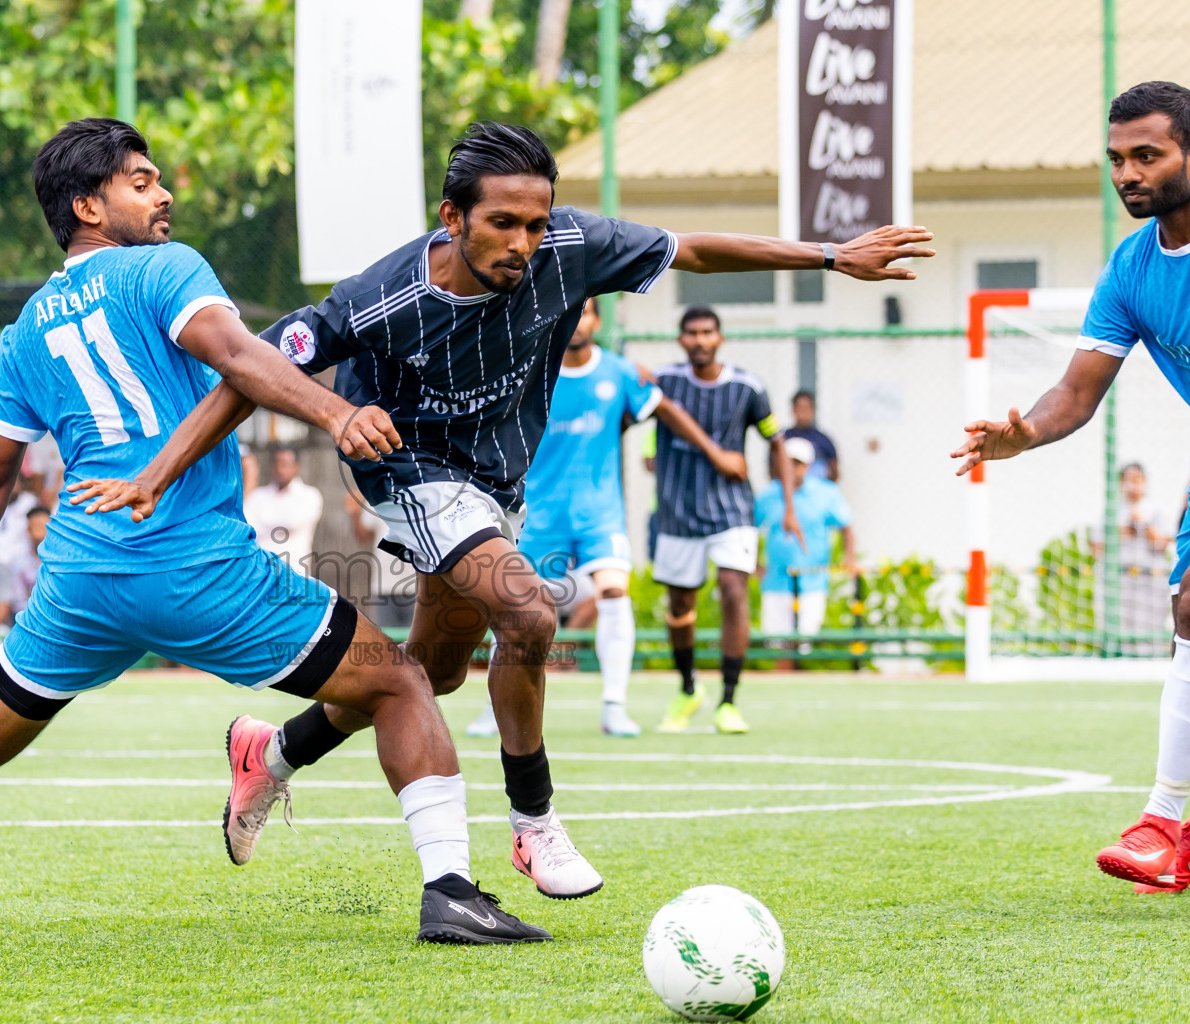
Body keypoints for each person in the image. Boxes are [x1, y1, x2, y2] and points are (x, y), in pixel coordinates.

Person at [0, 117, 546, 946]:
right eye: (141, 181)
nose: (164, 193)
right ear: (88, 204)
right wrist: (337, 411)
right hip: (196, 567)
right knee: (399, 681)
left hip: (81, 578)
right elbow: (239, 357)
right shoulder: (164, 269)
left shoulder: (25, 331)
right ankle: (450, 893)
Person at [86, 121, 930, 900]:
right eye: (502, 224)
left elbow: (694, 250)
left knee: (430, 674)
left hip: (494, 483)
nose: (524, 243)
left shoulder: (570, 245)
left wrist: (829, 256)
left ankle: (269, 753)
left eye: (536, 222)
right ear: (452, 216)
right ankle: (535, 826)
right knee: (527, 613)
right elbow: (250, 370)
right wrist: (158, 472)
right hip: (409, 471)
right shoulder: (379, 297)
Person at [951, 81, 1190, 896]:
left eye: (1148, 155)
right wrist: (1025, 435)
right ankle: (1165, 826)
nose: (1129, 173)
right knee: (1189, 608)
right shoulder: (1130, 269)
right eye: (1118, 159)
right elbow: (1076, 391)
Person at [465, 297, 748, 738]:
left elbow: (665, 411)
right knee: (513, 607)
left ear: (597, 320)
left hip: (600, 514)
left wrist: (715, 453)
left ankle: (614, 707)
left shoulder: (620, 373)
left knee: (614, 594)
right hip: (539, 514)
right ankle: (493, 707)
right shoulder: (534, 370)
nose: (578, 321)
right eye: (569, 313)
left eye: (586, 312)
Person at [652, 306, 801, 736]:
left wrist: (788, 506)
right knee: (681, 605)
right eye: (692, 333)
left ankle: (729, 700)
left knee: (734, 589)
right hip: (677, 510)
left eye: (707, 332)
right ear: (681, 340)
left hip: (732, 510)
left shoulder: (748, 387)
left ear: (720, 338)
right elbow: (633, 417)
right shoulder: (664, 382)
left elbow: (777, 442)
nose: (700, 340)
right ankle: (687, 689)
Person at [756, 438, 856, 657]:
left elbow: (846, 525)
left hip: (813, 581)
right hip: (776, 582)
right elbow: (751, 528)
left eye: (798, 463)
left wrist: (849, 558)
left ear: (808, 465)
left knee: (805, 643)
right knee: (777, 646)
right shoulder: (768, 494)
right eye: (787, 462)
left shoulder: (826, 493)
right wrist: (755, 564)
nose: (792, 468)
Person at [1092, 462, 1172, 640]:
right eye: (1128, 480)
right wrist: (1123, 533)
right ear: (1121, 483)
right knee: (1116, 629)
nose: (1132, 484)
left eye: (1137, 479)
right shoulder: (1110, 512)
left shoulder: (1157, 511)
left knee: (1149, 631)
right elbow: (1095, 548)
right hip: (1117, 582)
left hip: (1149, 582)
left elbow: (1164, 544)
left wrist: (1143, 525)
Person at [242, 446, 323, 570]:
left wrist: (263, 521)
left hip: (296, 575)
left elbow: (292, 521)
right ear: (272, 467)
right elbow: (247, 528)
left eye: (286, 464)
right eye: (278, 463)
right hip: (262, 574)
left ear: (296, 466)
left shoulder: (310, 495)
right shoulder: (258, 495)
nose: (281, 469)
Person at [344, 492, 415, 629]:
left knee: (418, 644)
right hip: (384, 586)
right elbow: (364, 536)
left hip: (415, 587)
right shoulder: (378, 496)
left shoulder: (418, 494)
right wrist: (354, 512)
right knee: (387, 643)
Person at [784, 390, 839, 481]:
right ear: (793, 410)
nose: (802, 413)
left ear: (813, 410)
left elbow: (834, 471)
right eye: (799, 408)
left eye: (806, 408)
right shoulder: (783, 438)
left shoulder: (823, 440)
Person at [10, 505, 50, 612]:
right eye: (36, 526)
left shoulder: (61, 560)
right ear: (28, 530)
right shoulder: (19, 560)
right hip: (27, 616)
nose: (40, 531)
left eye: (44, 526)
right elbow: (17, 599)